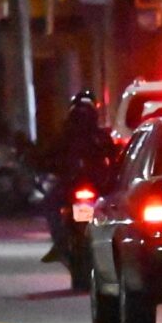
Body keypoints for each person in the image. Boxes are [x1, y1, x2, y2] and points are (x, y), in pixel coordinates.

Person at [39, 91, 116, 262]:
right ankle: (62, 242)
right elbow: (113, 157)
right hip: (87, 184)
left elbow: (48, 156)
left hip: (80, 184)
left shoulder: (69, 135)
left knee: (50, 204)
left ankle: (61, 242)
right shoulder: (95, 136)